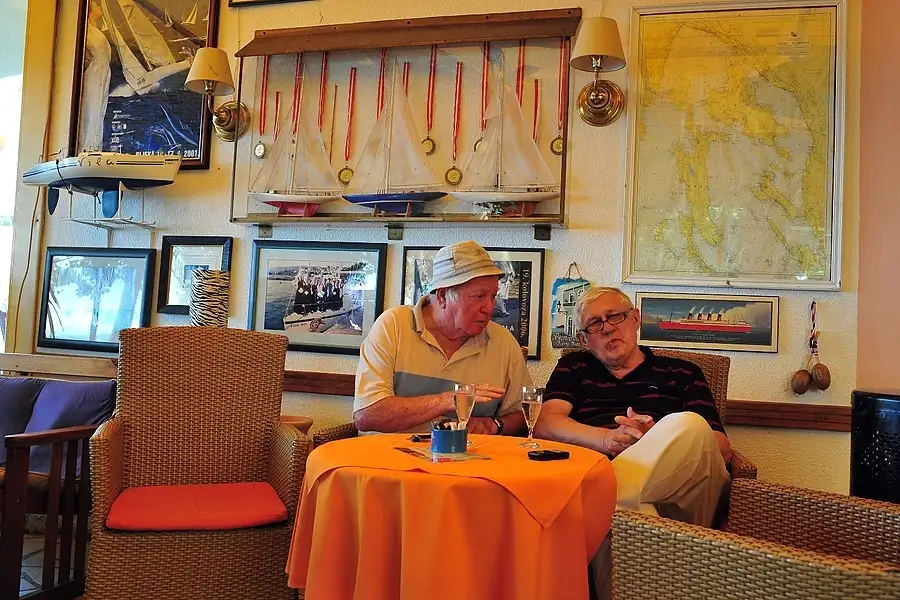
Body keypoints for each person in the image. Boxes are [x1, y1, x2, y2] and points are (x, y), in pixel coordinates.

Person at [534, 286, 731, 598]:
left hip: (687, 494)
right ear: (584, 340)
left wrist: (657, 439)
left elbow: (719, 446)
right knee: (629, 513)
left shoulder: (682, 373)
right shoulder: (574, 368)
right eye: (594, 324)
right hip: (615, 487)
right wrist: (609, 439)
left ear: (636, 319)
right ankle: (613, 502)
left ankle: (607, 497)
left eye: (615, 316)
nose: (607, 328)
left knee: (689, 424)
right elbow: (546, 423)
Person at [354, 240, 532, 435]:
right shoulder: (393, 325)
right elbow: (367, 415)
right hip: (388, 452)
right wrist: (447, 401)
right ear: (442, 296)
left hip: (468, 453)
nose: (489, 308)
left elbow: (525, 416)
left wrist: (494, 425)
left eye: (493, 296)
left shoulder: (503, 342)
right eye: (479, 296)